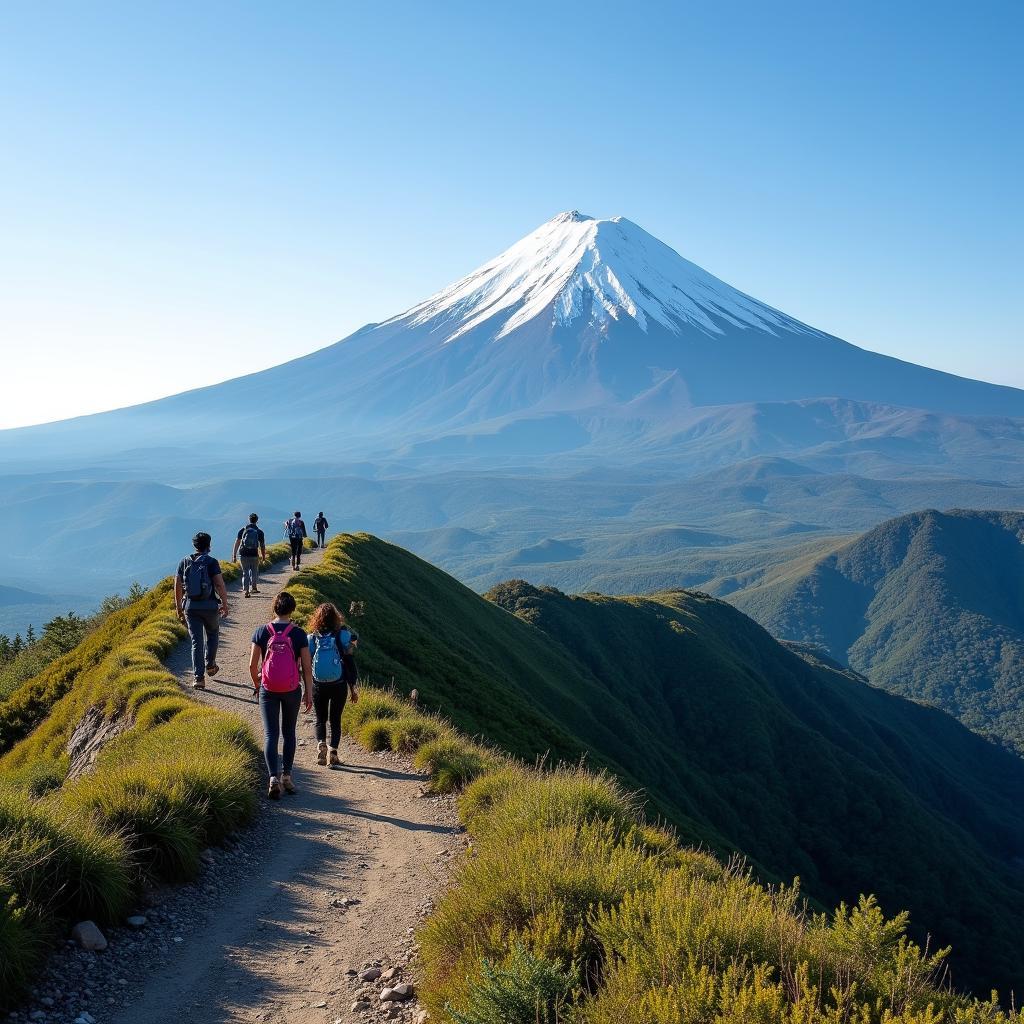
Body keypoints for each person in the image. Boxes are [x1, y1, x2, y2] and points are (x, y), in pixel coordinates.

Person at [249, 591, 313, 799]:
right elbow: (306, 666)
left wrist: (258, 684)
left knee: (270, 734)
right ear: (292, 609)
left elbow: (252, 665)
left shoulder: (261, 632)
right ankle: (287, 776)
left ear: (274, 608)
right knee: (289, 733)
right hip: (291, 689)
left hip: (268, 689)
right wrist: (309, 693)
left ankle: (273, 778)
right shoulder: (298, 634)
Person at [174, 532, 230, 689]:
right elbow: (219, 584)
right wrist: (225, 603)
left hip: (190, 608)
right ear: (209, 545)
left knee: (196, 642)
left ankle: (198, 678)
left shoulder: (184, 562)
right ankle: (210, 664)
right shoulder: (211, 562)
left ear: (194, 545)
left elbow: (177, 585)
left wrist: (179, 607)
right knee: (212, 634)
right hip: (210, 606)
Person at [307, 602, 359, 767]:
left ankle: (321, 744)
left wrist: (307, 689)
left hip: (318, 684)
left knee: (320, 719)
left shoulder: (312, 637)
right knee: (335, 719)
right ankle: (333, 753)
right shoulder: (341, 635)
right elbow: (353, 644)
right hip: (339, 684)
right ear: (335, 618)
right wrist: (352, 688)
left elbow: (307, 662)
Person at [232, 512, 267, 598]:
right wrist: (263, 556)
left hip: (243, 554)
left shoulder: (243, 530)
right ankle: (254, 588)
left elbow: (237, 543)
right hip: (254, 554)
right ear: (257, 521)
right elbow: (262, 545)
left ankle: (246, 591)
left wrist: (234, 555)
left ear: (249, 519)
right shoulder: (259, 532)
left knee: (245, 572)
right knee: (254, 571)